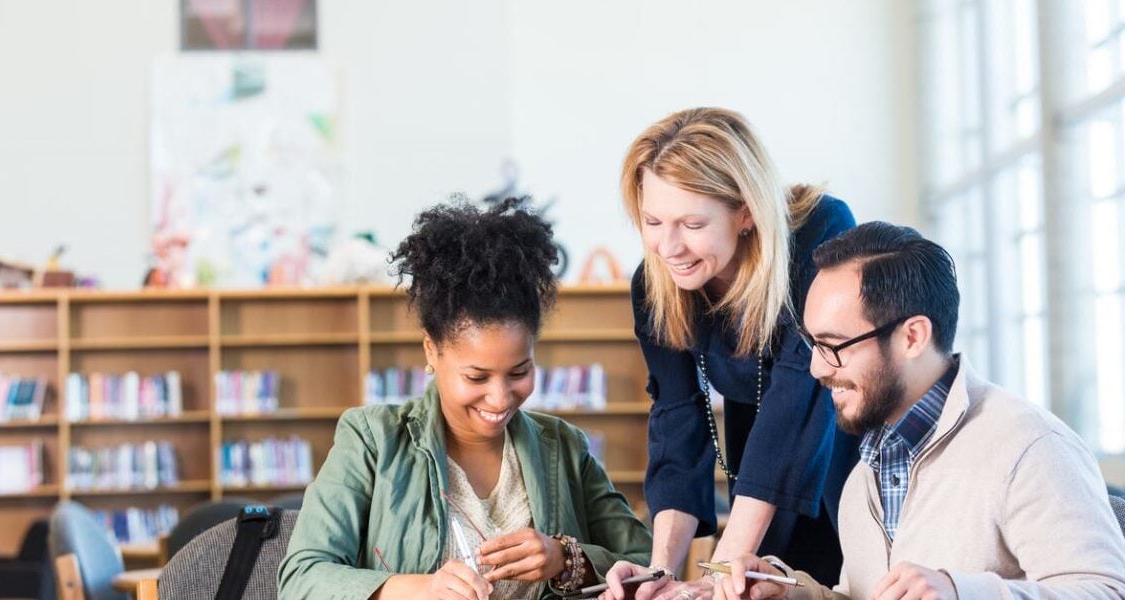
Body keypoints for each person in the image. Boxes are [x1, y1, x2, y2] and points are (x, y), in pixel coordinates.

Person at [719, 222, 1125, 600]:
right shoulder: (863, 474)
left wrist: (958, 591)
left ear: (912, 337)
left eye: (834, 346)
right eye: (813, 345)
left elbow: (1104, 590)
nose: (817, 368)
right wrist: (793, 593)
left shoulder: (1031, 448)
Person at [278, 198, 652, 600]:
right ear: (431, 352)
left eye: (519, 372)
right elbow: (302, 577)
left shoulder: (565, 448)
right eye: (476, 376)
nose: (500, 397)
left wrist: (567, 558)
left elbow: (647, 563)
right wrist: (417, 590)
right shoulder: (372, 440)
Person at [603, 108, 859, 600]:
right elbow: (677, 423)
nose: (667, 246)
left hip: (846, 448)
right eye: (653, 221)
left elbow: (798, 397)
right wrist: (659, 572)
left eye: (691, 223)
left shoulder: (821, 232)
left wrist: (722, 570)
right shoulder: (655, 284)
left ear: (745, 212)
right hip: (758, 463)